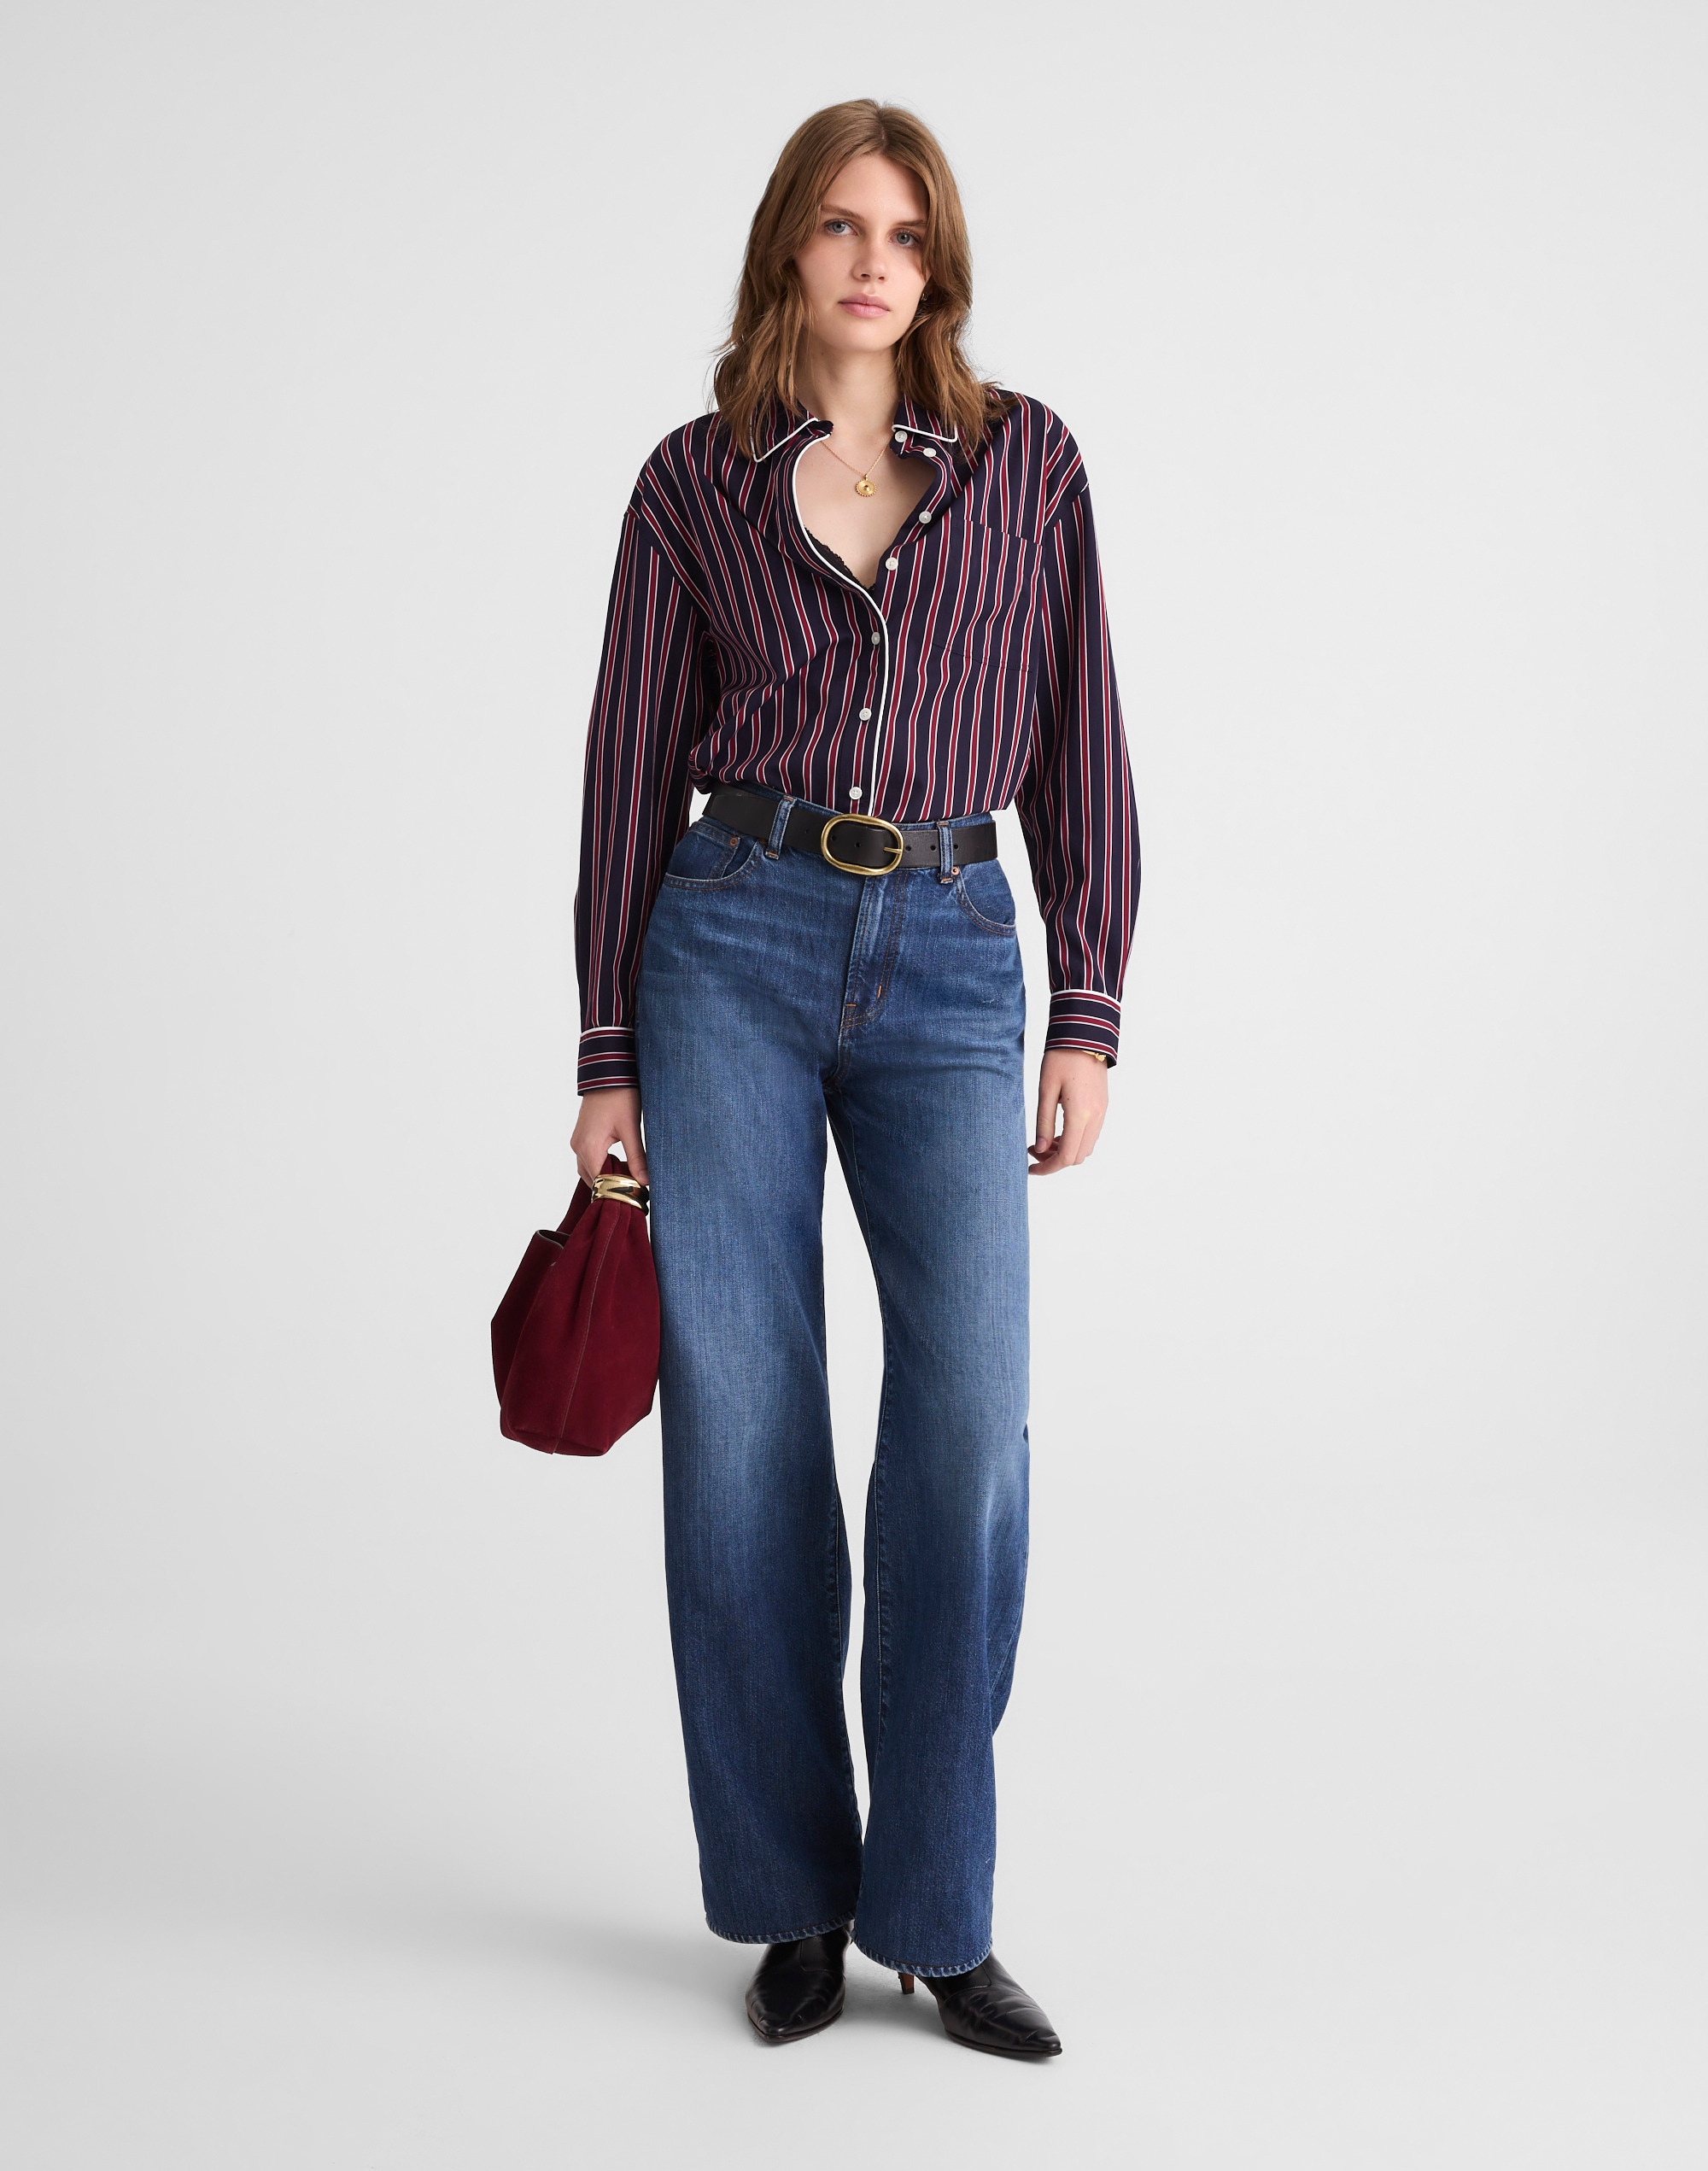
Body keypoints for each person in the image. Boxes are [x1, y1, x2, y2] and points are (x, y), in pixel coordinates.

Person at [570, 97, 1139, 2057]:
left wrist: (1087, 1004)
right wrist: (606, 1050)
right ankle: (795, 1895)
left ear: (937, 260)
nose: (872, 260)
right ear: (788, 255)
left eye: (902, 230)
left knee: (969, 1423)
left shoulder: (1027, 463)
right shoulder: (692, 483)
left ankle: (937, 1910)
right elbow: (628, 767)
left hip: (958, 946)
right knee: (741, 1427)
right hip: (727, 939)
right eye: (838, 226)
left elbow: (1081, 737)